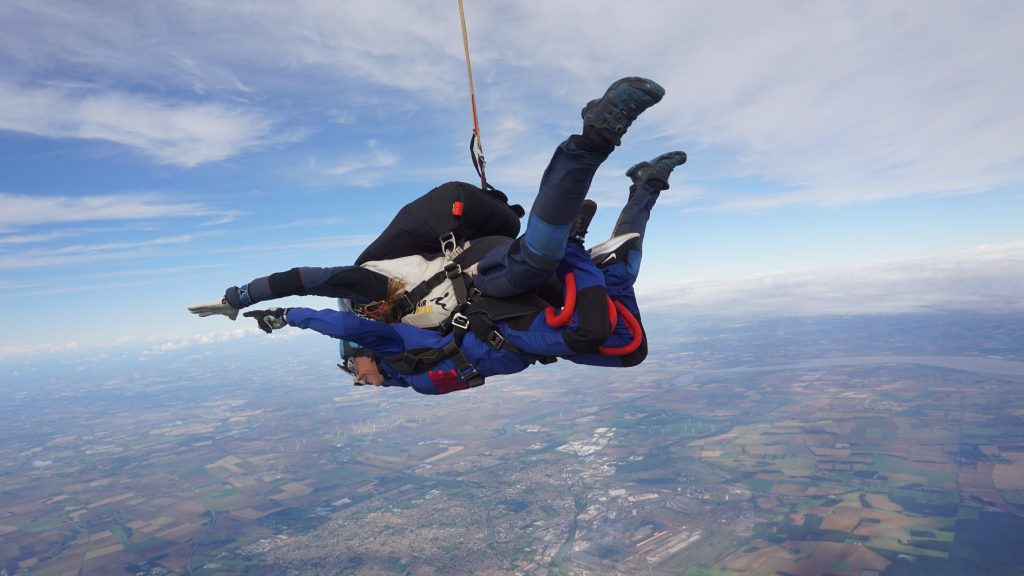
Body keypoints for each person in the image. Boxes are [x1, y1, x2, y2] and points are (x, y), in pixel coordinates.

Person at [189, 77, 666, 330]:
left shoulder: (370, 286)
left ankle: (594, 137)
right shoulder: (408, 312)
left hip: (483, 261)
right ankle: (643, 187)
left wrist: (241, 297)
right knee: (614, 280)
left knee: (535, 262)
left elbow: (306, 280)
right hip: (479, 260)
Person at [245, 149, 686, 394]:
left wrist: (282, 313)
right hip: (524, 342)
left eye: (353, 369)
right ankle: (645, 186)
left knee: (586, 322)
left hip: (495, 308)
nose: (358, 378)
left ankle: (582, 179)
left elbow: (337, 315)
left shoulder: (390, 340)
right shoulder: (405, 374)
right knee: (630, 343)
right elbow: (396, 364)